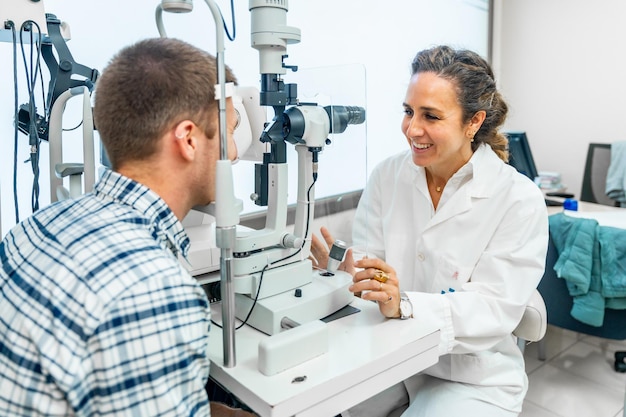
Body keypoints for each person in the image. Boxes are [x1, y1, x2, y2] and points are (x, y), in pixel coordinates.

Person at [0, 38, 253, 416]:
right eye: (230, 131)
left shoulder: (35, 228)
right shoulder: (153, 292)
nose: (234, 152)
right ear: (188, 139)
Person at [311, 45, 549, 416]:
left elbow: (493, 307)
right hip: (390, 358)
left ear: (473, 122)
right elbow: (374, 264)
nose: (412, 129)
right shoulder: (388, 175)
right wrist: (346, 270)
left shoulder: (518, 199)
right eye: (408, 111)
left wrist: (403, 303)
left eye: (431, 116)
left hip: (470, 375)